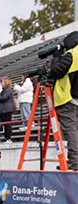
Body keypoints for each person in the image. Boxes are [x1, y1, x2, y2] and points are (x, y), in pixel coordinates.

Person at [50, 31, 78, 171]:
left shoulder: (72, 54)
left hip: (67, 98)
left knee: (70, 131)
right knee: (75, 130)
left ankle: (75, 161)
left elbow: (55, 71)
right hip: (76, 99)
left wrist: (56, 57)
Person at [0, 78, 16, 143]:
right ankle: (6, 137)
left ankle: (8, 138)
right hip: (4, 110)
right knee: (5, 125)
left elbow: (3, 98)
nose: (2, 84)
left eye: (3, 82)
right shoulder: (5, 90)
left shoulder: (8, 90)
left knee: (8, 124)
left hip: (7, 110)